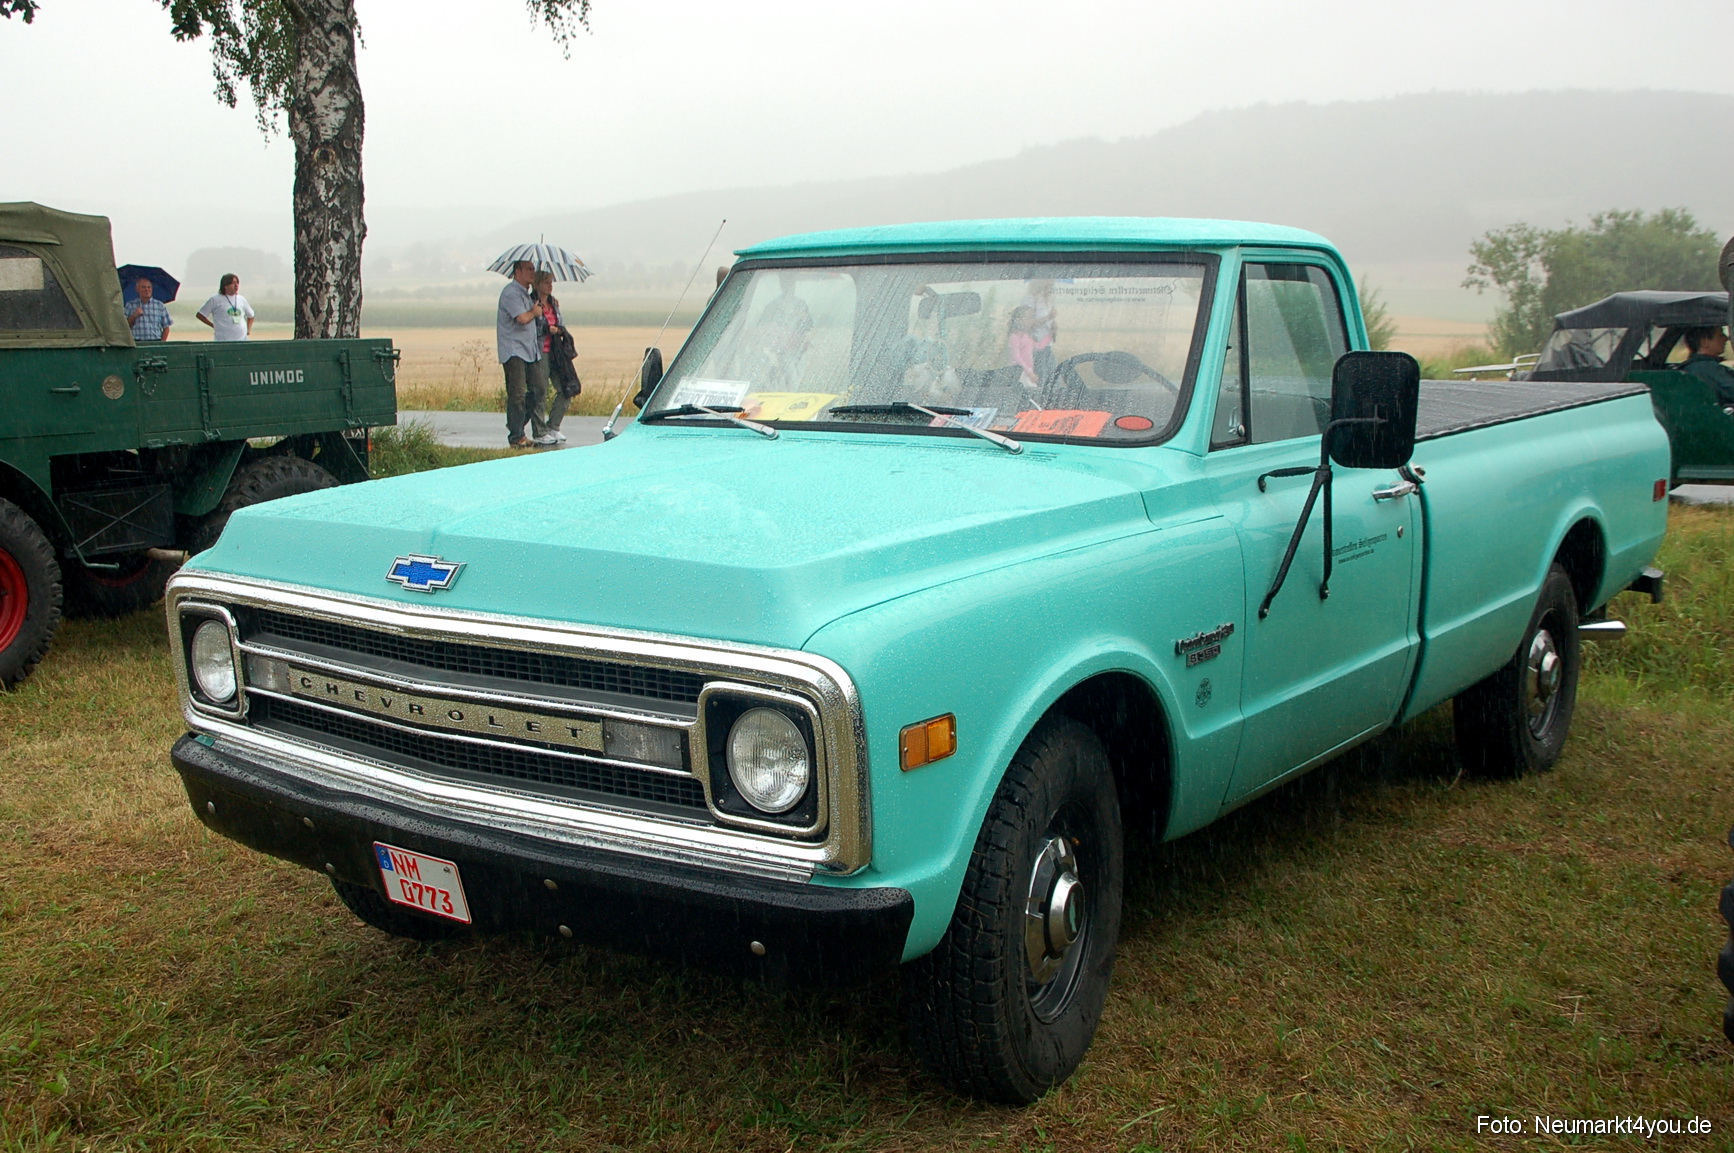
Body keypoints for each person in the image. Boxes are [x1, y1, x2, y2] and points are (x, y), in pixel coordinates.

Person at [497, 259, 549, 447]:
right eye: (529, 269)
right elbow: (522, 318)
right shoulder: (511, 293)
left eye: (534, 269)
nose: (533, 272)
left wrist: (541, 302)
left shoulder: (527, 295)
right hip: (514, 350)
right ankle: (516, 435)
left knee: (538, 391)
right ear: (517, 272)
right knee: (517, 393)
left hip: (529, 350)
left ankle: (516, 425)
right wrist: (534, 312)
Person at [533, 270, 580, 444]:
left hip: (556, 351)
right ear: (537, 284)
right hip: (539, 351)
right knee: (541, 390)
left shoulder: (554, 304)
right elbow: (531, 329)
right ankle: (539, 430)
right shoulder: (532, 303)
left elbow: (561, 324)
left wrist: (558, 330)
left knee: (565, 388)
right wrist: (545, 328)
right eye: (546, 282)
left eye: (551, 282)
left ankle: (553, 425)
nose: (550, 286)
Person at [1679, 325, 1734, 409]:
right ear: (1705, 342)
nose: (1726, 338)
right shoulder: (1709, 368)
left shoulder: (1691, 367)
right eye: (1720, 335)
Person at [196, 274, 255, 341]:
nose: (236, 285)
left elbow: (251, 316)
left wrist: (248, 329)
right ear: (225, 286)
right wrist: (213, 325)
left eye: (237, 283)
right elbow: (200, 315)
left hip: (242, 340)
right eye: (233, 283)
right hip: (223, 340)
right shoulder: (215, 299)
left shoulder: (241, 299)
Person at [125, 277, 171, 342]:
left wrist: (162, 343)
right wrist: (134, 316)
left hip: (155, 341)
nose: (147, 289)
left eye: (149, 287)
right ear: (137, 289)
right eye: (143, 287)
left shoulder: (160, 305)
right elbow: (125, 326)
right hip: (137, 342)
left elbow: (166, 327)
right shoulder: (130, 305)